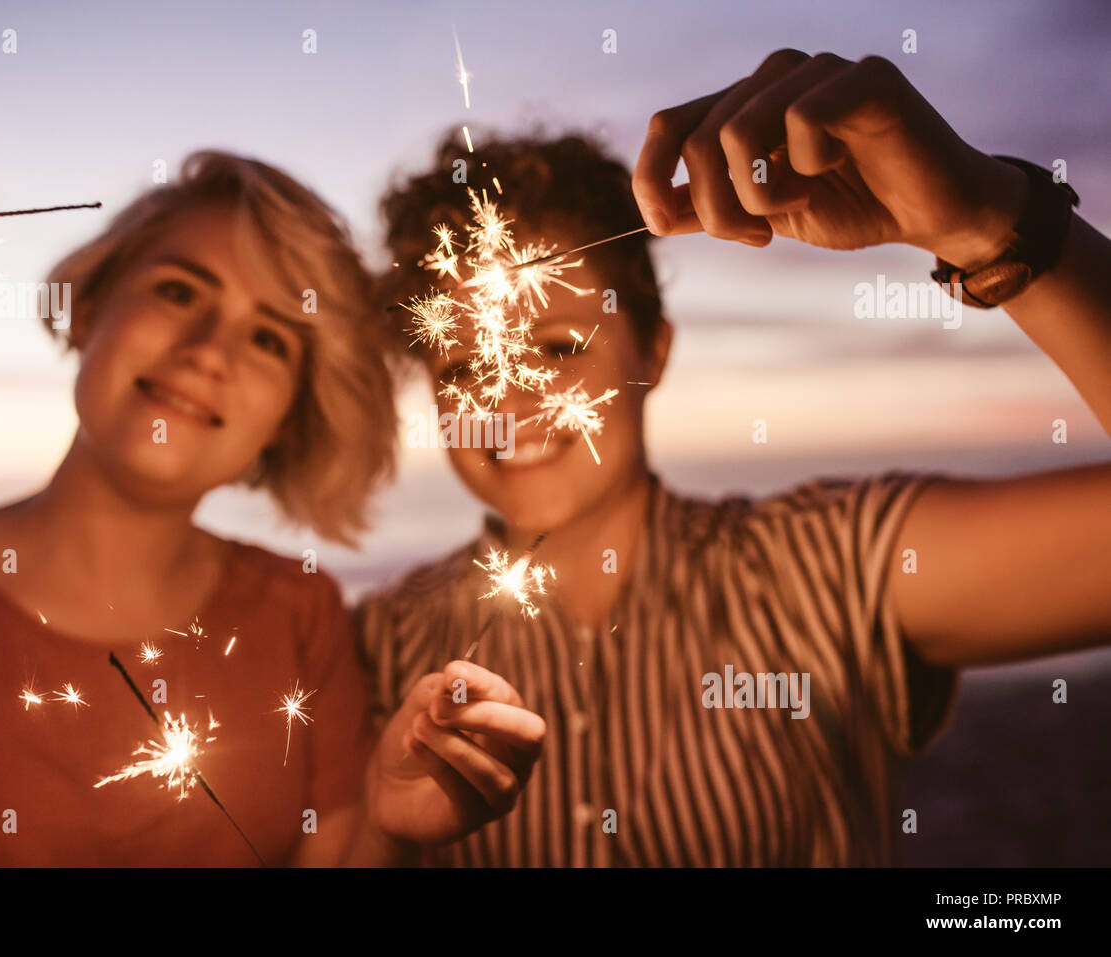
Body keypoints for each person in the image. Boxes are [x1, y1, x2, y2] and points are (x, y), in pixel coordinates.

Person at [358, 50, 1111, 866]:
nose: (508, 398)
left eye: (557, 344)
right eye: (463, 365)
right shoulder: (377, 648)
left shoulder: (824, 565)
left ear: (655, 347)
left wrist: (987, 220)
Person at [0, 151, 543, 866]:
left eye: (267, 337)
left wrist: (388, 830)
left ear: (291, 415)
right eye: (179, 292)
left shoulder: (301, 617)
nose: (207, 351)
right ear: (90, 304)